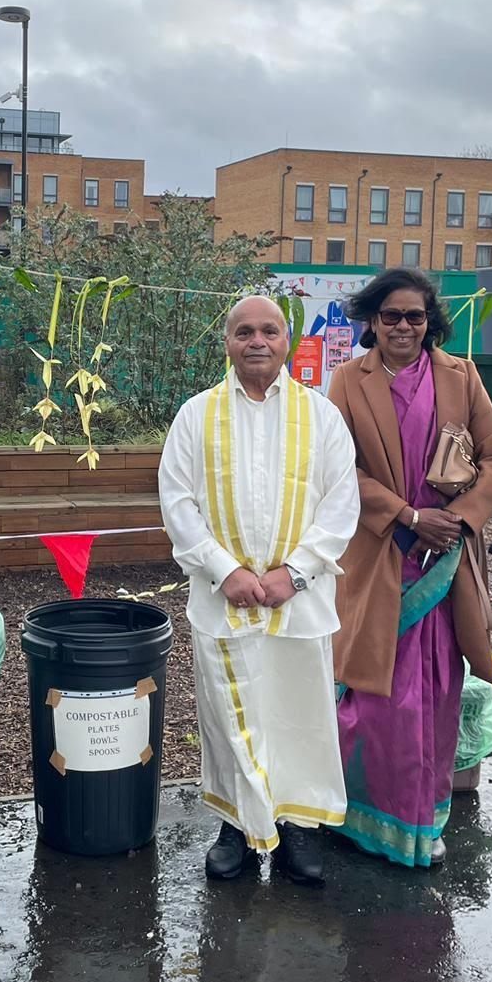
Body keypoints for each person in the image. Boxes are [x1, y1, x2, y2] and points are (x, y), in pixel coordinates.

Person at [158, 295, 360, 885]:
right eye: (244, 331)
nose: (257, 341)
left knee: (300, 716)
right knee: (227, 718)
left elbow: (340, 503)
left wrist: (294, 572)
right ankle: (239, 830)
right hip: (226, 601)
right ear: (228, 342)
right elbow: (178, 503)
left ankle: (299, 829)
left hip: (299, 600)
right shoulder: (196, 415)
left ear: (287, 342)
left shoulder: (321, 416)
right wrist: (225, 571)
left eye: (269, 330)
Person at [325, 268, 492, 868]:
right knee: (374, 694)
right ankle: (364, 817)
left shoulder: (461, 376)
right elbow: (338, 470)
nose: (404, 327)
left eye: (415, 316)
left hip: (444, 560)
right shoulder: (346, 382)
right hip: (380, 554)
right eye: (390, 316)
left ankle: (421, 822)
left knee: (433, 692)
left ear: (431, 320)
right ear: (371, 321)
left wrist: (458, 519)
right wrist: (407, 514)